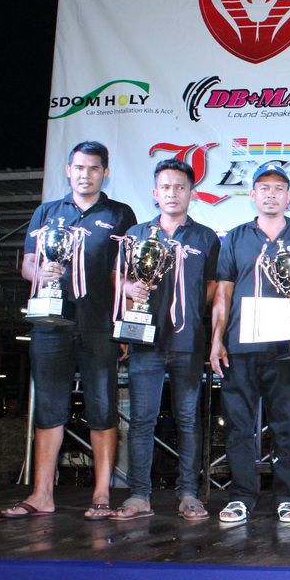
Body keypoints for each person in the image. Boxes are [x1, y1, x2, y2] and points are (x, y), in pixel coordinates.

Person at [2, 141, 137, 519]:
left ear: (105, 173)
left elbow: (125, 272)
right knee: (49, 408)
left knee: (102, 409)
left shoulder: (120, 214)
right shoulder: (47, 212)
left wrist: (127, 325)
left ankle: (101, 495)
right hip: (51, 324)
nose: (85, 174)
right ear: (68, 170)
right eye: (79, 167)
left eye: (93, 168)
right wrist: (40, 271)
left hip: (98, 325)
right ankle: (41, 494)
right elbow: (27, 264)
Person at [210, 162, 290, 523]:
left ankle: (286, 496)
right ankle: (241, 496)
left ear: (289, 196)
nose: (271, 194)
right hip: (241, 345)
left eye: (278, 188)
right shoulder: (236, 237)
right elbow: (223, 293)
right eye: (264, 188)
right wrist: (216, 339)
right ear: (253, 195)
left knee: (286, 424)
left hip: (286, 345)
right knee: (238, 425)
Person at [110, 158, 220, 521]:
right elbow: (117, 278)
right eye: (166, 187)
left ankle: (188, 493)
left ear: (192, 193)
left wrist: (190, 307)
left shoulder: (205, 237)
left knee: (188, 419)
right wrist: (130, 289)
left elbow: (213, 285)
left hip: (188, 341)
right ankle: (139, 495)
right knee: (142, 420)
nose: (173, 193)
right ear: (155, 193)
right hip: (145, 341)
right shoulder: (136, 234)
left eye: (180, 187)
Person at [0, 397, 27, 484]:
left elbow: (27, 443)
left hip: (20, 464)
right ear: (6, 406)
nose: (14, 406)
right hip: (3, 464)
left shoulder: (23, 424)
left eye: (16, 404)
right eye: (12, 404)